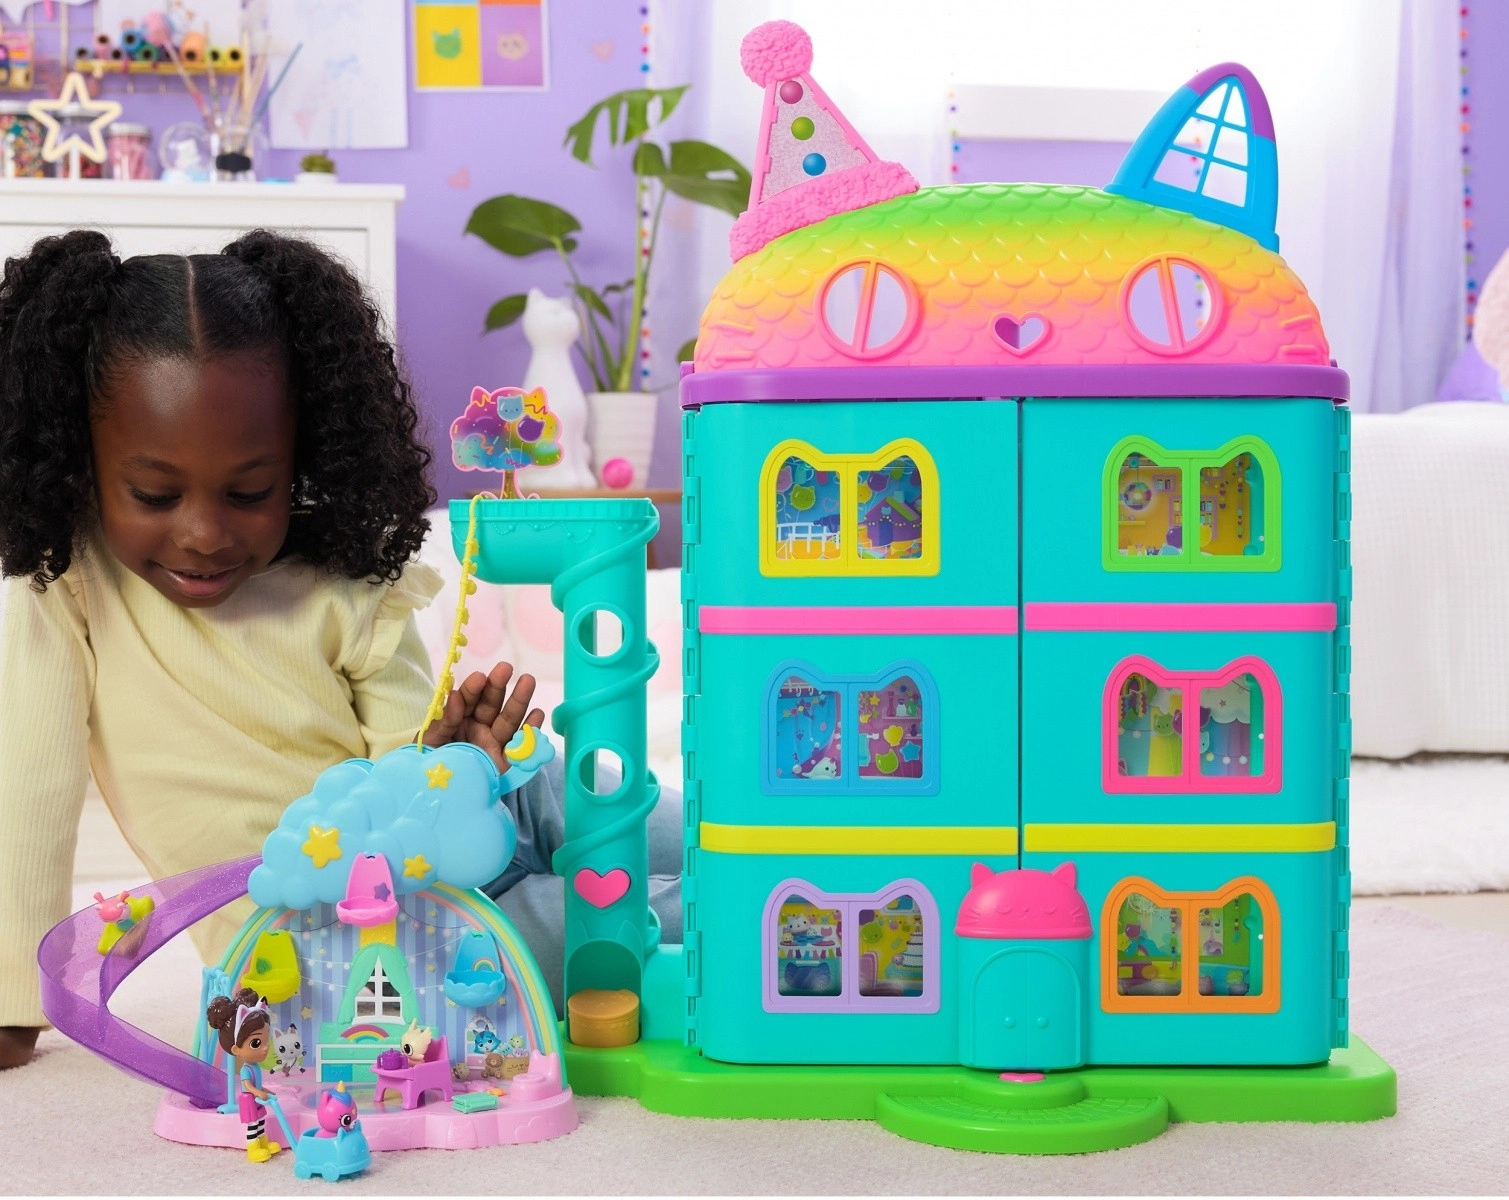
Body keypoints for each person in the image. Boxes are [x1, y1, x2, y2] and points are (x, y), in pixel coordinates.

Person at [0, 229, 680, 1070]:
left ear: (302, 455)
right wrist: (12, 1000)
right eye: (154, 494)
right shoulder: (69, 584)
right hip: (366, 933)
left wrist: (456, 760)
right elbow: (27, 789)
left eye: (250, 491)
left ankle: (818, 837)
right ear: (80, 459)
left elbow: (408, 754)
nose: (203, 532)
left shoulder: (342, 577)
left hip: (470, 805)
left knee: (697, 825)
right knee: (664, 914)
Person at [206, 987, 280, 1162]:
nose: (265, 1048)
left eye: (266, 1040)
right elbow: (247, 1086)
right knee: (253, 1125)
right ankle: (253, 1148)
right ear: (236, 1049)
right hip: (249, 1101)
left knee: (261, 1122)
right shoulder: (246, 1069)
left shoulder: (256, 1067)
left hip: (257, 1100)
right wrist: (258, 1092)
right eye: (256, 1043)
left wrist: (266, 1091)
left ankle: (264, 1144)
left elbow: (257, 1085)